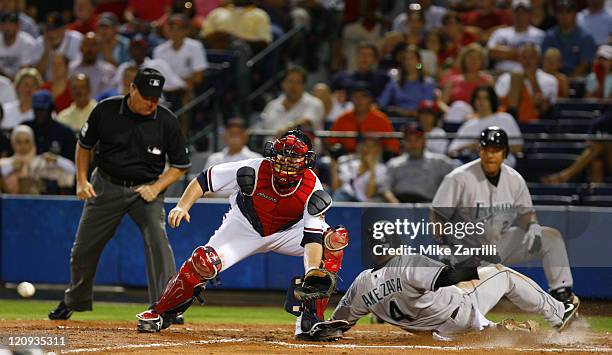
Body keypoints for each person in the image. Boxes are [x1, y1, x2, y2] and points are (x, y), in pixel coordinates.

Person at [135, 130, 349, 340]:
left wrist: (312, 271)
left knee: (333, 241)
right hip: (245, 225)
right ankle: (160, 312)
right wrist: (182, 206)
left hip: (290, 231)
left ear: (306, 160)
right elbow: (205, 179)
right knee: (203, 262)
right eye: (282, 154)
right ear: (273, 154)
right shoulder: (254, 169)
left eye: (293, 157)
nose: (286, 161)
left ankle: (310, 320)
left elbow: (312, 237)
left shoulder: (313, 186)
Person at [48, 68, 191, 322]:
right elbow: (84, 145)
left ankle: (167, 306)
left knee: (158, 241)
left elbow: (181, 165)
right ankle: (74, 300)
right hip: (106, 185)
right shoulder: (106, 110)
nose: (152, 102)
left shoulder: (166, 120)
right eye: (147, 96)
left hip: (146, 191)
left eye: (156, 97)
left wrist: (156, 188)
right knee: (83, 249)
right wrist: (81, 180)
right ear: (132, 89)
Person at [306, 230, 580, 341]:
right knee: (501, 273)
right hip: (458, 311)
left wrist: (314, 326)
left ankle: (497, 330)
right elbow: (449, 276)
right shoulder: (407, 261)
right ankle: (559, 313)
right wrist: (480, 264)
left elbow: (339, 324)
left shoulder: (362, 283)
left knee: (463, 306)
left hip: (433, 332)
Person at [433, 127, 576, 304]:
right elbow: (438, 215)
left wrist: (532, 225)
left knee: (550, 238)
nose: (491, 155)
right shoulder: (459, 178)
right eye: (486, 149)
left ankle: (562, 297)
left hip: (499, 244)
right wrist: (443, 245)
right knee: (463, 308)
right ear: (479, 150)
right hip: (467, 252)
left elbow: (525, 213)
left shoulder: (514, 179)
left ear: (505, 153)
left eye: (496, 150)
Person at [448, 86, 523, 167]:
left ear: (492, 100)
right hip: (472, 164)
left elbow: (518, 147)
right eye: (478, 98)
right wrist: (470, 146)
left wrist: (491, 147)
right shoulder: (469, 124)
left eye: (485, 98)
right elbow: (451, 151)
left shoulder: (505, 119)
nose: (481, 101)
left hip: (502, 162)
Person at [384, 124, 454, 203]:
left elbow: (455, 184)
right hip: (399, 205)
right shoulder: (394, 163)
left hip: (428, 207)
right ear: (404, 142)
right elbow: (385, 188)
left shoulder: (440, 162)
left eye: (417, 140)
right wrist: (394, 203)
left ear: (424, 141)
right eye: (409, 141)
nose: (413, 144)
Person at [0, 125, 75, 195]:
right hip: (9, 206)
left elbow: (72, 170)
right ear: (12, 142)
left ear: (32, 141)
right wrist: (11, 167)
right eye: (18, 142)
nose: (22, 146)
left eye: (27, 141)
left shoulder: (40, 162)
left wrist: (57, 160)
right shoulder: (5, 163)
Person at [328, 82, 400, 155]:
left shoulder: (381, 119)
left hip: (374, 160)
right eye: (355, 96)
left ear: (370, 99)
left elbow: (393, 147)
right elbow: (331, 143)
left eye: (363, 96)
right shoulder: (342, 119)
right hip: (346, 160)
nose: (359, 100)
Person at [542, 111, 612, 184]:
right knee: (596, 163)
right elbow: (589, 142)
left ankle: (565, 175)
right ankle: (596, 193)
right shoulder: (605, 118)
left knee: (603, 144)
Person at [495, 43, 558, 122]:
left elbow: (546, 108)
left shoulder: (550, 80)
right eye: (524, 57)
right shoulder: (505, 78)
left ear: (538, 59)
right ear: (519, 59)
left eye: (531, 57)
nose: (527, 61)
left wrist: (532, 79)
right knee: (516, 77)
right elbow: (499, 102)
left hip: (539, 122)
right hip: (510, 119)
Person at [541, 0, 597, 78]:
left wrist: (568, 81)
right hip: (552, 78)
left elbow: (585, 64)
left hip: (577, 81)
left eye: (568, 12)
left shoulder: (585, 37)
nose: (564, 15)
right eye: (560, 12)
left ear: (575, 14)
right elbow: (544, 60)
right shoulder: (550, 36)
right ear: (556, 15)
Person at [153, 14, 208, 93]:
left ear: (186, 31)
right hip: (163, 89)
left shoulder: (196, 47)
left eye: (180, 29)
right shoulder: (158, 50)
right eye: (172, 29)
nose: (175, 32)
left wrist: (175, 83)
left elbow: (198, 78)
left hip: (185, 89)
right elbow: (156, 77)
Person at [487, 0, 545, 74]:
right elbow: (492, 52)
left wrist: (506, 54)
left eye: (524, 12)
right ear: (511, 13)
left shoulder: (539, 35)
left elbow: (540, 59)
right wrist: (524, 55)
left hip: (529, 75)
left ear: (530, 14)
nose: (520, 15)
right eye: (517, 12)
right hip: (502, 74)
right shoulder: (500, 33)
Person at [259, 66, 325, 131]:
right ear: (282, 84)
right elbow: (259, 126)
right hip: (270, 141)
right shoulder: (272, 105)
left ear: (304, 85)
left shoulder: (315, 103)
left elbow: (308, 121)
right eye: (290, 81)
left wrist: (287, 128)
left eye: (298, 82)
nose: (293, 86)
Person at [377, 46, 436, 117]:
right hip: (398, 118)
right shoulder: (395, 82)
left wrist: (409, 112)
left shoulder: (428, 82)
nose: (408, 61)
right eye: (405, 59)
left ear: (419, 62)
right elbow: (382, 102)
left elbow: (427, 106)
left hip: (420, 119)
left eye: (411, 58)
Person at [23, 90, 76, 161]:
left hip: (58, 170)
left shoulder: (64, 132)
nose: (39, 113)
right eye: (37, 109)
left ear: (51, 108)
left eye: (43, 109)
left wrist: (56, 160)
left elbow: (72, 161)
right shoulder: (25, 128)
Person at [330, 138, 388, 202]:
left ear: (377, 150)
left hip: (364, 204)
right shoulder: (351, 165)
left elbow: (369, 194)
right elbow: (336, 188)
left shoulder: (381, 169)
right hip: (345, 199)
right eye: (365, 146)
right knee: (338, 194)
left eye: (370, 147)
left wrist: (372, 169)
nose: (366, 150)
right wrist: (334, 166)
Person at [32, 12, 83, 80]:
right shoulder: (40, 43)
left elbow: (80, 70)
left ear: (64, 28)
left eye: (55, 29)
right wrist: (46, 51)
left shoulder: (76, 40)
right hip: (48, 85)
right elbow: (37, 75)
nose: (51, 33)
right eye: (48, 29)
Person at [69, 32, 116, 98]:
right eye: (86, 44)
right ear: (80, 48)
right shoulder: (71, 68)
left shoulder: (109, 70)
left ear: (99, 49)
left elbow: (109, 97)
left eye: (93, 45)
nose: (89, 48)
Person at [0, 12, 35, 79]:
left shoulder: (27, 42)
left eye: (11, 23)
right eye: (5, 23)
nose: (8, 26)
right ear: (1, 26)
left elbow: (24, 72)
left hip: (19, 83)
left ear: (18, 26)